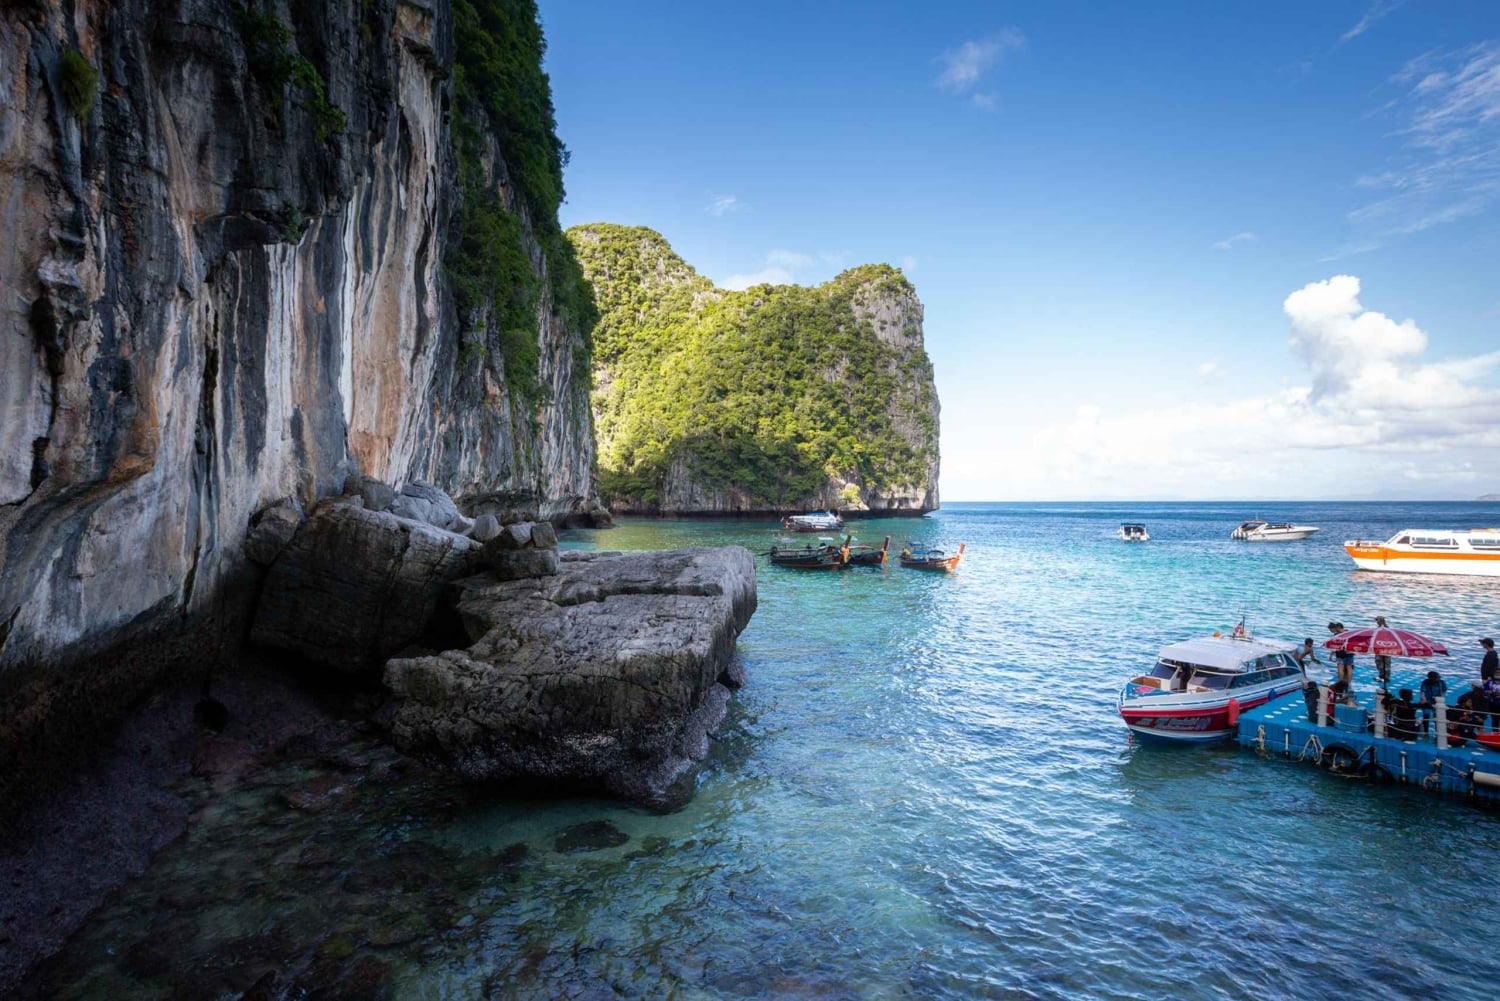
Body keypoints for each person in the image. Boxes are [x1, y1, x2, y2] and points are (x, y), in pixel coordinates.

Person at [1417, 670, 1447, 738]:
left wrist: (1441, 699)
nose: (1437, 679)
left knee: (1437, 718)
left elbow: (1444, 691)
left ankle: (1438, 733)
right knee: (1426, 717)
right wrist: (1424, 700)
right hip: (1427, 702)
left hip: (1437, 702)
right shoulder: (1425, 682)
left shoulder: (1441, 682)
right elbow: (1422, 692)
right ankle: (1426, 733)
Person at [1328, 621, 1354, 692]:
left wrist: (1331, 655)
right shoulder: (1349, 633)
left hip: (1340, 654)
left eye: (1336, 628)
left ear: (1338, 628)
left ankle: (1340, 682)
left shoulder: (1337, 635)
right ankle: (1349, 683)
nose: (1335, 630)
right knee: (1349, 668)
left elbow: (1335, 647)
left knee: (1340, 668)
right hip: (1350, 653)